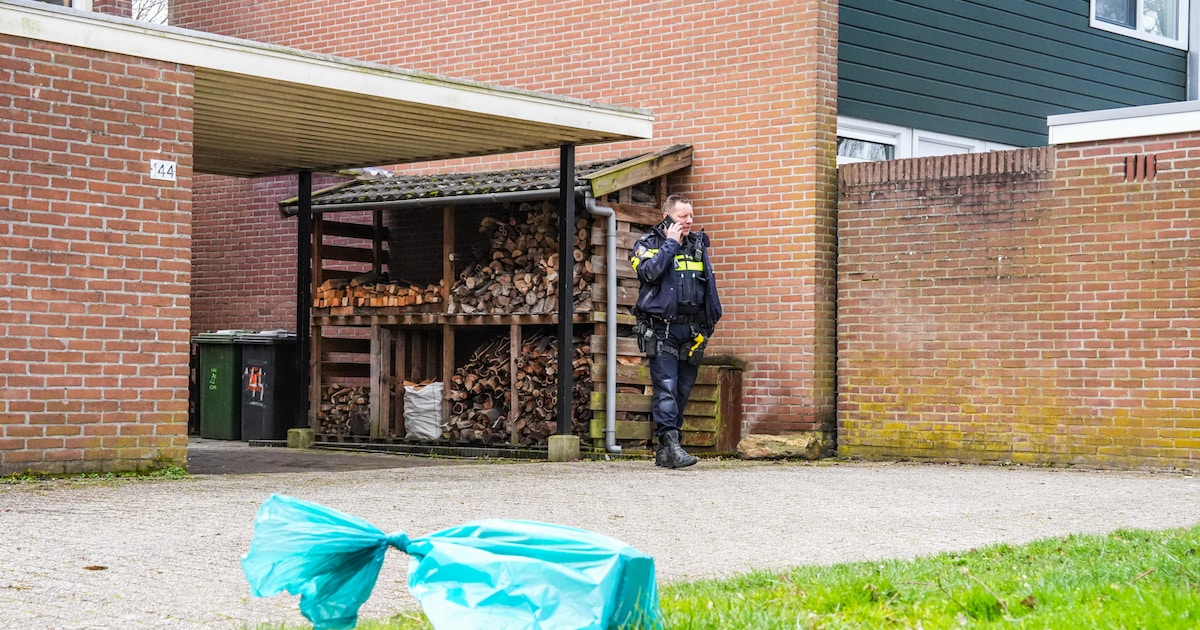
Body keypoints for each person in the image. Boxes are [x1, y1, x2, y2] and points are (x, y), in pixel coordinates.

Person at [629, 194, 722, 469]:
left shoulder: (697, 245)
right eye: (683, 217)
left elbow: (709, 286)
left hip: (692, 331)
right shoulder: (647, 245)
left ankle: (667, 448)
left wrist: (709, 324)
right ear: (667, 217)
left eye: (691, 216)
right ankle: (671, 445)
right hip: (662, 329)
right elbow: (648, 273)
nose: (689, 222)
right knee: (666, 388)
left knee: (682, 389)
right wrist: (670, 244)